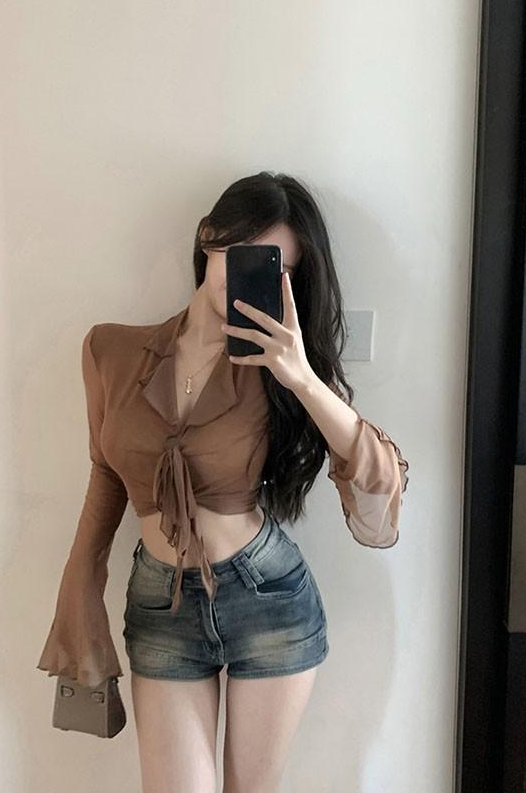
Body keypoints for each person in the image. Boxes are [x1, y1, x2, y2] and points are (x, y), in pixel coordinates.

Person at [36, 171, 409, 792]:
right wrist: (80, 584)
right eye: (241, 251)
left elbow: (378, 484)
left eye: (274, 265)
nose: (245, 275)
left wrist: (300, 375)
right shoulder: (110, 352)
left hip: (267, 598)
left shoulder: (279, 369)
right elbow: (106, 473)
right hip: (162, 605)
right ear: (208, 237)